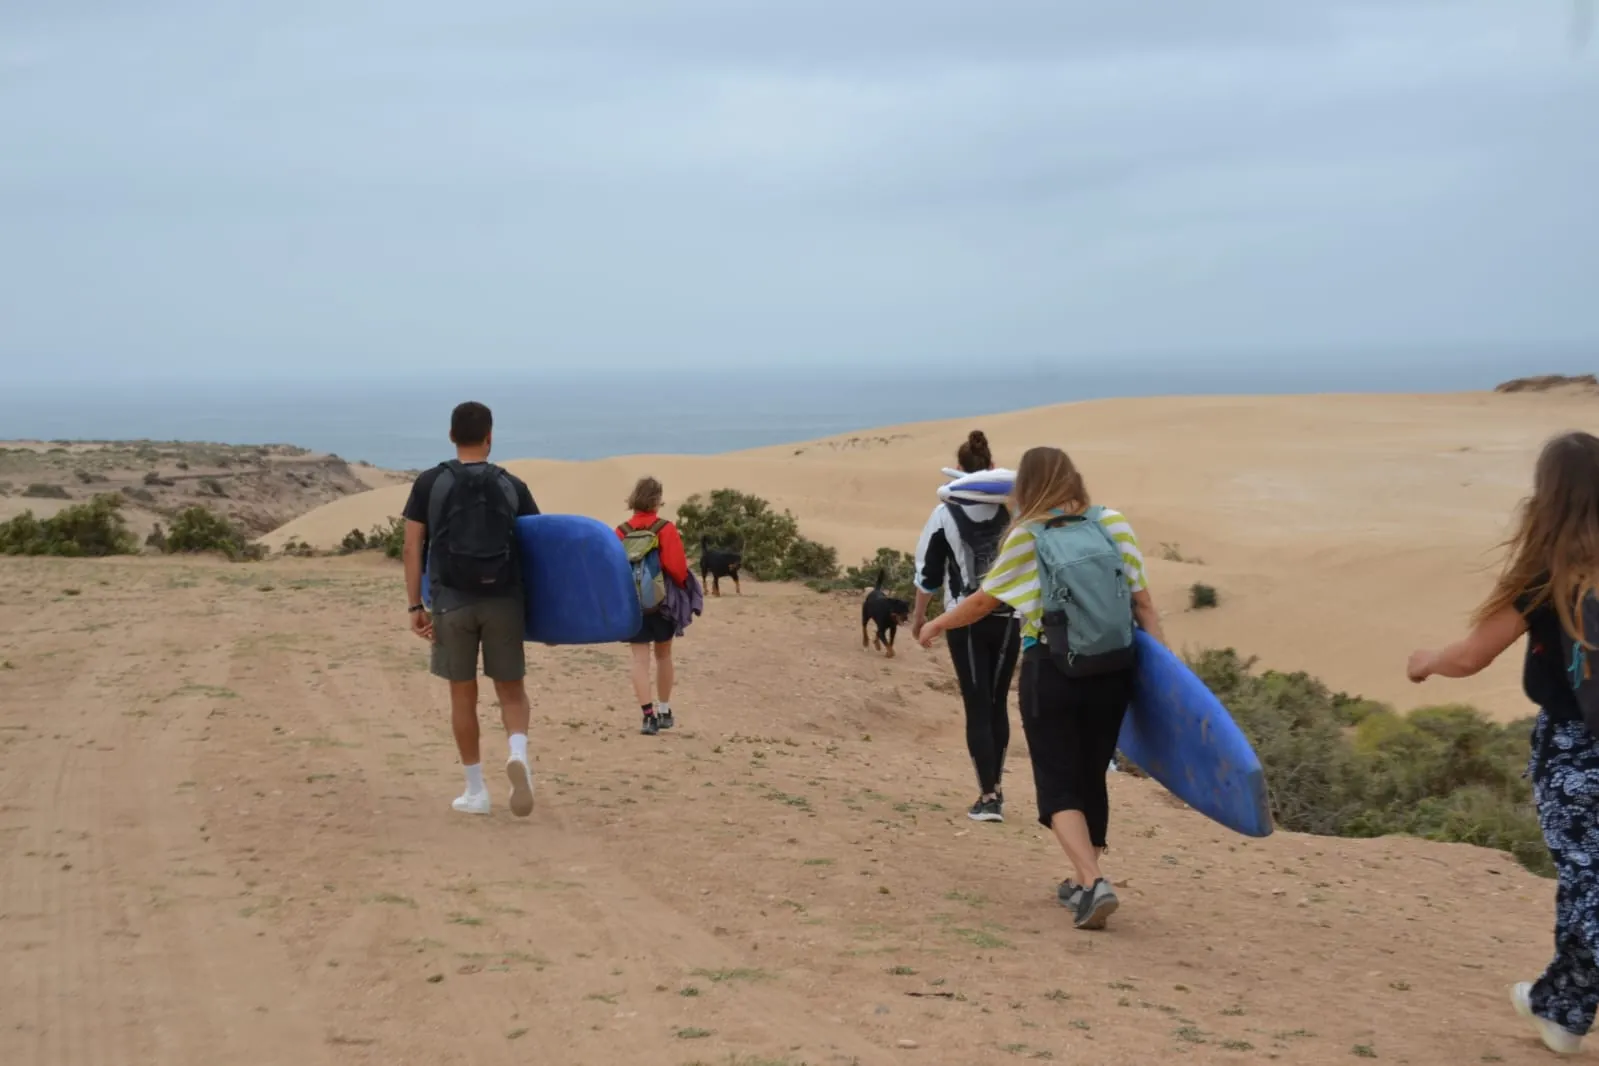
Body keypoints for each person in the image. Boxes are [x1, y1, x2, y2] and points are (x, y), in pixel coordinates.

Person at [1407, 431, 1599, 1056]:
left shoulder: (1548, 573)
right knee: (1586, 882)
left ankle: (1561, 1007)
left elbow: (1471, 656)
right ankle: (1561, 1012)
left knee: (1588, 881)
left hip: (1576, 751)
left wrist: (1426, 662)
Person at [919, 445, 1165, 930]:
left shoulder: (1028, 535)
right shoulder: (1112, 523)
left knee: (1056, 779)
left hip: (1051, 669)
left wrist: (935, 625)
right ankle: (1081, 880)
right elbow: (1145, 606)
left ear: (1027, 488)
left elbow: (983, 602)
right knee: (1092, 775)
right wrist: (1164, 680)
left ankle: (1093, 882)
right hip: (1114, 669)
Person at [402, 401, 540, 817]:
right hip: (504, 599)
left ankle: (476, 792)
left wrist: (415, 605)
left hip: (451, 602)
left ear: (450, 436)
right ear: (490, 436)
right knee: (511, 689)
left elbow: (412, 548)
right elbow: (538, 546)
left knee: (462, 696)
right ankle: (518, 752)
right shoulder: (511, 484)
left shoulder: (429, 483)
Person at [911, 430, 1021, 824]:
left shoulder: (944, 513)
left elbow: (928, 574)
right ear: (992, 468)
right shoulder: (1014, 511)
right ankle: (997, 789)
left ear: (958, 470)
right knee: (996, 704)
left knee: (977, 705)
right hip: (1010, 618)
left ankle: (989, 795)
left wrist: (921, 617)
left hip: (963, 620)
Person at [616, 477, 691, 736]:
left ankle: (647, 717)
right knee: (664, 656)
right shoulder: (665, 529)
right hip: (661, 605)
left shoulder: (621, 531)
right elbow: (677, 569)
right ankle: (665, 710)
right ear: (657, 500)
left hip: (633, 605)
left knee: (639, 659)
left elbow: (613, 569)